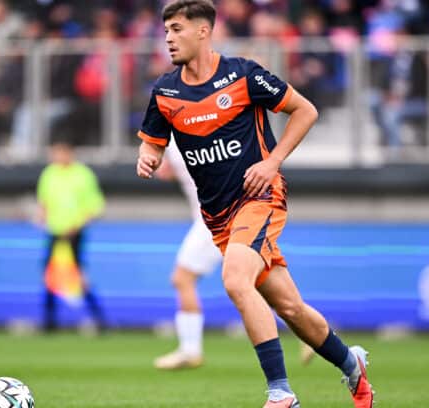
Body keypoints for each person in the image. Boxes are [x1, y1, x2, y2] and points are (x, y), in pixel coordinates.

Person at [135, 2, 373, 407]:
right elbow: (152, 143)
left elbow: (305, 110)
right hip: (218, 217)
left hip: (260, 197)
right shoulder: (165, 92)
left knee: (234, 280)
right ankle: (351, 363)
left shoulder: (243, 74)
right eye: (166, 30)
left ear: (203, 31)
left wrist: (272, 161)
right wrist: (147, 156)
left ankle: (281, 393)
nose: (168, 38)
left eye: (176, 29)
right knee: (291, 308)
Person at [153, 141, 222, 370]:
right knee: (260, 282)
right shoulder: (174, 137)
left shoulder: (179, 130)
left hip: (215, 216)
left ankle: (190, 350)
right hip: (220, 212)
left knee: (182, 278)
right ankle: (314, 331)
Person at [36, 138, 106, 333]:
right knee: (50, 275)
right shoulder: (49, 174)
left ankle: (98, 319)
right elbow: (44, 202)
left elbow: (95, 205)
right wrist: (42, 217)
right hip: (54, 232)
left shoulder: (83, 175)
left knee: (78, 275)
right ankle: (49, 322)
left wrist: (78, 224)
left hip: (75, 233)